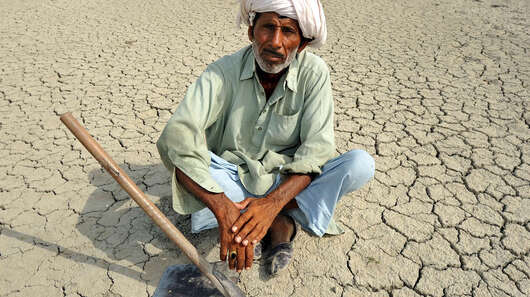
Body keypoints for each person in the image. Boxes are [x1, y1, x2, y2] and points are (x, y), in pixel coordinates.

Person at [157, 0, 375, 275]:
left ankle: (272, 217)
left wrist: (272, 203)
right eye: (267, 28)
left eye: (287, 31)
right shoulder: (223, 72)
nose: (275, 41)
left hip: (288, 180)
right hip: (233, 177)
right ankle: (263, 222)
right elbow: (176, 135)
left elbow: (316, 152)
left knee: (359, 164)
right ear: (251, 32)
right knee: (189, 158)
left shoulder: (314, 73)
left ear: (303, 43)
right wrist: (222, 206)